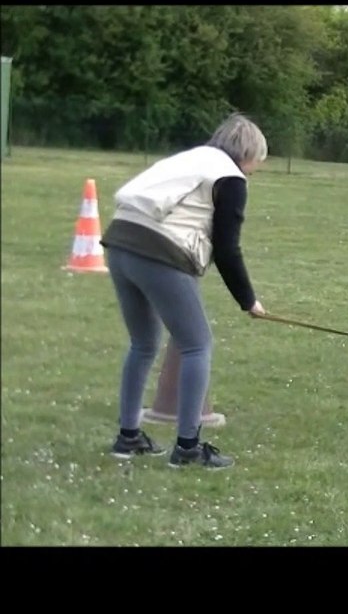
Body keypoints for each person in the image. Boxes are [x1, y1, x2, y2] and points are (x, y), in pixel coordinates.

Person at [102, 113, 268, 469]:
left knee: (143, 344)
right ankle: (188, 447)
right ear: (249, 153)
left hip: (118, 241)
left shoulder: (191, 159)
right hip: (158, 252)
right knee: (197, 345)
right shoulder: (231, 177)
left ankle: (127, 437)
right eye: (257, 162)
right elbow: (227, 248)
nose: (255, 170)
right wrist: (248, 301)